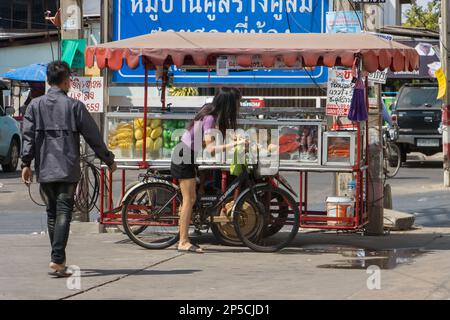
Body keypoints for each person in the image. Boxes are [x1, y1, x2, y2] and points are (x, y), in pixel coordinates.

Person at [21, 61, 117, 276]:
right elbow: (93, 136)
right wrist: (108, 159)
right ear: (66, 81)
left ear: (48, 81)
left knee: (52, 213)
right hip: (68, 167)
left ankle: (58, 259)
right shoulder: (74, 106)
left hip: (44, 167)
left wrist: (25, 164)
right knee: (64, 212)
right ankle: (57, 259)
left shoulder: (34, 106)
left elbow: (27, 138)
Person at [170, 87, 243, 253]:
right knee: (189, 199)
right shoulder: (210, 118)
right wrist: (235, 144)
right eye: (237, 103)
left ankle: (183, 238)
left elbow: (213, 137)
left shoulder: (210, 112)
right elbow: (211, 148)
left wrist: (235, 138)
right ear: (229, 104)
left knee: (191, 198)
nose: (238, 106)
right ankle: (183, 241)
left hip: (186, 154)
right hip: (184, 156)